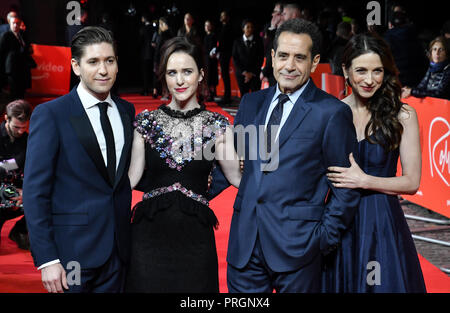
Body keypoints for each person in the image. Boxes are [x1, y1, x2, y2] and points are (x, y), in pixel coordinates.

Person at [209, 18, 360, 293]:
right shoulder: (251, 103)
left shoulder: (331, 113)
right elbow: (232, 164)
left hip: (300, 249)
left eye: (299, 58)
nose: (289, 66)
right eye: (283, 56)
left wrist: (324, 238)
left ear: (314, 63)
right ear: (272, 57)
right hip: (245, 248)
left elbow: (346, 185)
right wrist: (179, 191)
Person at [23, 26, 136, 293]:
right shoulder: (51, 114)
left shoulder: (126, 111)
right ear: (75, 66)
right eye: (93, 62)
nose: (103, 70)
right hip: (70, 256)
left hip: (118, 253)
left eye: (110, 60)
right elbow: (34, 191)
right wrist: (47, 259)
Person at [125, 36, 241, 292]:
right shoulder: (146, 123)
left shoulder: (218, 125)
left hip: (196, 240)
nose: (179, 81)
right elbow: (130, 179)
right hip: (148, 239)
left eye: (187, 72)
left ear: (200, 75)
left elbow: (237, 179)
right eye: (172, 73)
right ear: (163, 77)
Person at [323, 33, 426, 293]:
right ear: (345, 70)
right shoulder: (332, 112)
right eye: (361, 71)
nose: (370, 80)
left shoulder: (402, 115)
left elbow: (412, 181)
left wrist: (364, 180)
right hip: (338, 221)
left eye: (377, 71)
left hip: (381, 223)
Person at [0, 99, 31, 250]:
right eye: (16, 127)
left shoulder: (28, 140)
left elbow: (32, 169)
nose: (20, 131)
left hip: (19, 189)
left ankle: (19, 231)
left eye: (23, 128)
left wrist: (26, 191)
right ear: (6, 118)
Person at [383, 11, 427, 87]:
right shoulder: (415, 36)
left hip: (394, 80)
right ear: (406, 22)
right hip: (415, 80)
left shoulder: (386, 38)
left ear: (390, 24)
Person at [0, 16, 35, 100]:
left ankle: (21, 107)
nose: (15, 25)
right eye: (13, 23)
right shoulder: (6, 35)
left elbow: (28, 47)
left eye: (17, 23)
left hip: (23, 67)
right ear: (10, 24)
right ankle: (13, 111)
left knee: (22, 90)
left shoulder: (23, 34)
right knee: (14, 91)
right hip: (12, 68)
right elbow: (1, 52)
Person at [232, 19, 264, 97]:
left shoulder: (258, 41)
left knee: (255, 97)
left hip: (255, 74)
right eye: (248, 27)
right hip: (241, 74)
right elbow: (235, 58)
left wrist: (251, 73)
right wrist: (244, 72)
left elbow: (260, 58)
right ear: (243, 29)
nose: (250, 29)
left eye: (251, 27)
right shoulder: (237, 42)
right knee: (244, 97)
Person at [152, 16, 173, 99]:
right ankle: (165, 93)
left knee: (163, 76)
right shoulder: (170, 34)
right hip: (169, 57)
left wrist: (155, 60)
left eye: (161, 24)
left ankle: (165, 93)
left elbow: (158, 49)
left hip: (163, 58)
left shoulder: (163, 35)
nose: (160, 26)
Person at [216, 10, 234, 105]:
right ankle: (226, 96)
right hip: (222, 54)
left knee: (225, 75)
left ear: (227, 17)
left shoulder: (229, 28)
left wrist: (218, 49)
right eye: (221, 15)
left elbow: (225, 42)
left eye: (224, 16)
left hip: (225, 54)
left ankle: (227, 97)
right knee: (224, 75)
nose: (222, 17)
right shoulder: (222, 27)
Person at [138, 13, 155, 96]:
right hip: (153, 53)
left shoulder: (143, 29)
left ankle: (145, 90)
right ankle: (154, 89)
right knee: (153, 72)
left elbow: (140, 41)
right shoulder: (153, 28)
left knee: (145, 72)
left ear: (144, 18)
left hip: (145, 53)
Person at [203, 20, 218, 101]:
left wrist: (213, 53)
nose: (207, 27)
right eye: (206, 25)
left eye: (209, 25)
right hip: (206, 59)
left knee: (212, 77)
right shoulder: (205, 36)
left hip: (212, 59)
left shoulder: (213, 36)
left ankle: (212, 94)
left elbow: (215, 47)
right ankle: (208, 93)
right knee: (207, 77)